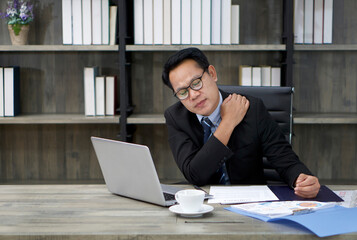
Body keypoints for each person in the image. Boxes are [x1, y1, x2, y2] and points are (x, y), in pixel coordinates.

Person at [161, 47, 320, 198]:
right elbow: (195, 175)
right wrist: (228, 122)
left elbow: (285, 160)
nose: (193, 95)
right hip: (203, 208)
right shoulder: (176, 117)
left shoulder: (253, 109)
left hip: (251, 205)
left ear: (212, 73)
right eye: (183, 92)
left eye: (196, 82)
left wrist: (301, 179)